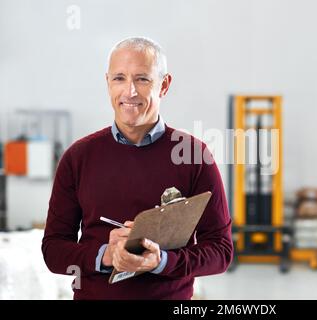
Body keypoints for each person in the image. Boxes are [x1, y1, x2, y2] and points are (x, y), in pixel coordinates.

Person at [42, 37, 233, 299]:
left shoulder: (195, 156)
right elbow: (53, 250)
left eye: (142, 79)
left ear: (164, 85)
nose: (129, 92)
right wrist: (106, 256)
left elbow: (221, 251)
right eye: (119, 78)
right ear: (107, 82)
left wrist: (161, 261)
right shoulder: (78, 157)